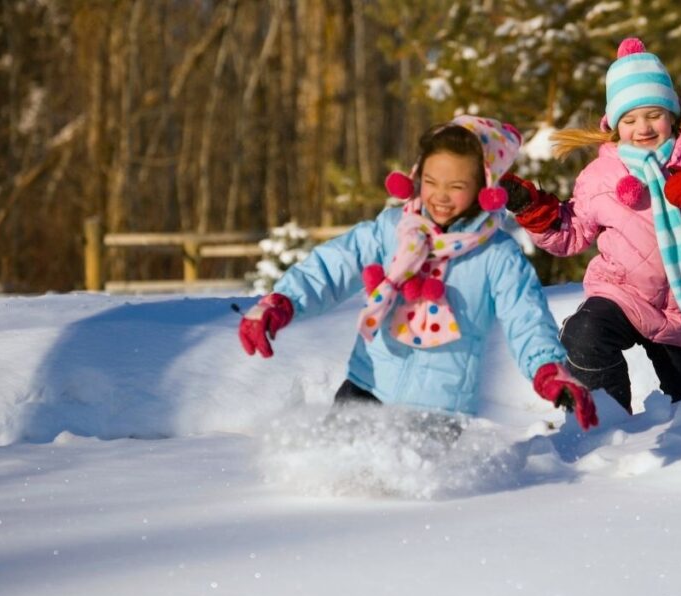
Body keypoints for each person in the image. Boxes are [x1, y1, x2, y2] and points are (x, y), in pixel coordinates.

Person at [238, 115, 598, 432]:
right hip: (367, 385)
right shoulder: (391, 229)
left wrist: (548, 370)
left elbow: (526, 318)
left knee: (402, 494)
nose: (440, 196)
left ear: (486, 189)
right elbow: (334, 265)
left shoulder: (496, 255)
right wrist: (282, 301)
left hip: (440, 409)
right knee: (337, 484)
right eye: (431, 181)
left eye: (456, 186)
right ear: (415, 177)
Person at [501, 37, 681, 414]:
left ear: (672, 114)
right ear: (615, 125)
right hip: (621, 292)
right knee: (583, 334)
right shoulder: (601, 174)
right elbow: (570, 234)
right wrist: (535, 211)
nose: (644, 127)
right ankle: (604, 420)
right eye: (630, 119)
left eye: (653, 114)